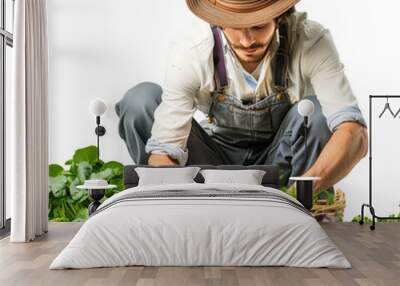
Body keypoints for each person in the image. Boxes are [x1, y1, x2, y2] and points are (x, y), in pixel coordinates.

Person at [115, 0, 368, 193]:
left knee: (318, 112)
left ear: (279, 16)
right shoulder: (191, 49)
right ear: (218, 21)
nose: (246, 41)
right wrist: (168, 195)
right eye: (235, 28)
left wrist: (301, 193)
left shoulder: (311, 41)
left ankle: (297, 207)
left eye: (258, 26)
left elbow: (353, 132)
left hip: (284, 164)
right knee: (141, 99)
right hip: (210, 164)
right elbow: (165, 148)